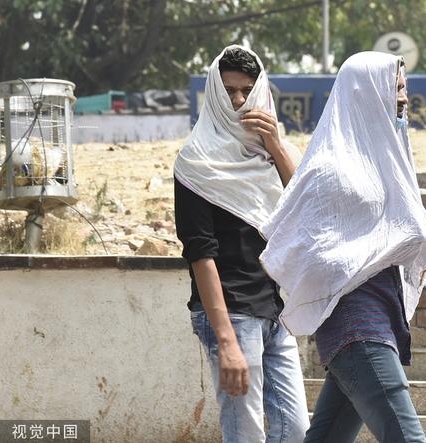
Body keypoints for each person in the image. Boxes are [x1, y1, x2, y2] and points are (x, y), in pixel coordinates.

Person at [259, 52, 426, 443]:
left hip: (379, 319)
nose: (403, 98)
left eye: (404, 88)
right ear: (366, 91)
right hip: (356, 327)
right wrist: (360, 259)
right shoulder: (330, 169)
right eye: (396, 88)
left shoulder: (386, 160)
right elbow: (307, 243)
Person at [173, 45, 309, 443]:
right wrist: (227, 340)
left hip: (274, 310)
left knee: (296, 429)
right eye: (228, 90)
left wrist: (277, 146)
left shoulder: (272, 156)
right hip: (231, 315)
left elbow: (306, 208)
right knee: (246, 434)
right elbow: (200, 251)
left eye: (246, 90)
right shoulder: (195, 161)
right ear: (213, 92)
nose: (237, 101)